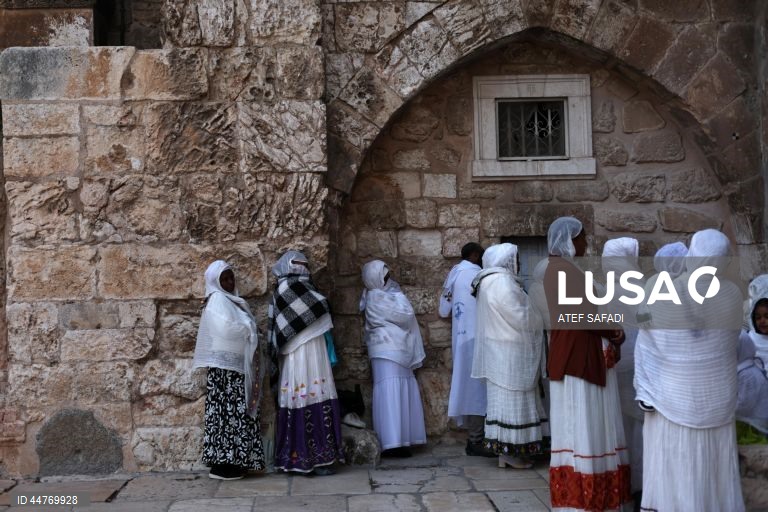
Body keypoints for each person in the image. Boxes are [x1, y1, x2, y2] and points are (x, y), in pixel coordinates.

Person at [635, 229, 744, 511]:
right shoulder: (732, 294)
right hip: (717, 398)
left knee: (675, 465)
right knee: (714, 469)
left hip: (672, 397)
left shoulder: (661, 289)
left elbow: (644, 330)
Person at [543, 217, 631, 511]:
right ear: (569, 239)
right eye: (581, 238)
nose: (584, 243)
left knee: (578, 423)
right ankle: (585, 497)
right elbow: (577, 316)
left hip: (574, 353)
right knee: (583, 422)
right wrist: (612, 330)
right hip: (577, 357)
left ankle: (583, 495)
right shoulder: (563, 270)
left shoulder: (561, 269)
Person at [471, 243, 549, 469]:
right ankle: (512, 452)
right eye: (515, 258)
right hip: (509, 352)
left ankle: (507, 452)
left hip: (501, 351)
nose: (519, 263)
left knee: (504, 400)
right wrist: (539, 316)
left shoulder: (487, 281)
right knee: (513, 399)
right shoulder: (501, 282)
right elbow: (520, 314)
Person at [268, 250, 344, 475]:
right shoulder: (284, 290)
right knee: (300, 395)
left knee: (316, 393)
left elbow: (322, 307)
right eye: (296, 264)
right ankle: (294, 458)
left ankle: (322, 458)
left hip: (315, 352)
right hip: (296, 354)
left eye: (304, 264)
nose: (302, 268)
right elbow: (318, 307)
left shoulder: (311, 289)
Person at [193, 260, 265, 480]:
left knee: (236, 415)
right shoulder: (217, 301)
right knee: (227, 417)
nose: (229, 281)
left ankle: (237, 462)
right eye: (224, 278)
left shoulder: (233, 301)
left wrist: (248, 329)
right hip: (226, 373)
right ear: (215, 281)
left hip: (235, 371)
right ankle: (224, 466)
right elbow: (225, 327)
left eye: (230, 277)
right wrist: (249, 329)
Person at [361, 260, 427, 457]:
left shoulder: (385, 295)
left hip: (396, 349)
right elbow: (404, 315)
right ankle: (392, 442)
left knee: (400, 392)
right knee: (391, 393)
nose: (389, 280)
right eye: (384, 277)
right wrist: (399, 297)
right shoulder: (375, 296)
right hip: (386, 350)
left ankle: (404, 439)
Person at [439, 242, 493, 457]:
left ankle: (476, 438)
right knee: (480, 389)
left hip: (460, 340)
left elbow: (443, 310)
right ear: (475, 255)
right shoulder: (479, 275)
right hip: (479, 338)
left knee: (469, 388)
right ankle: (477, 440)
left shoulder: (454, 275)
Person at [602, 237, 644, 507]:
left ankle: (620, 481)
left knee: (618, 423)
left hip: (616, 361)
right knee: (639, 425)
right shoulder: (641, 288)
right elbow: (648, 323)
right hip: (638, 360)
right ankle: (639, 481)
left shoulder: (603, 289)